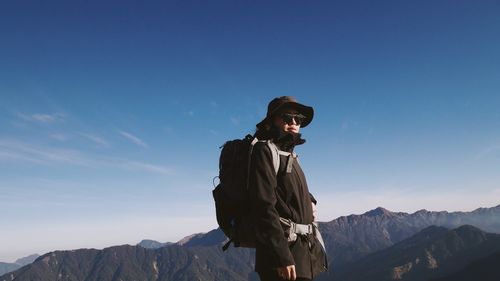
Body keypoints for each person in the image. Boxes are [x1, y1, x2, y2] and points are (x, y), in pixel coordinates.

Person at [249, 96, 327, 281]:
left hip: (300, 252)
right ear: (272, 120)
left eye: (298, 119)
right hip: (283, 256)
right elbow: (262, 206)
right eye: (287, 118)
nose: (294, 122)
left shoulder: (288, 154)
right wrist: (281, 257)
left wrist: (311, 200)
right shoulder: (264, 151)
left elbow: (292, 189)